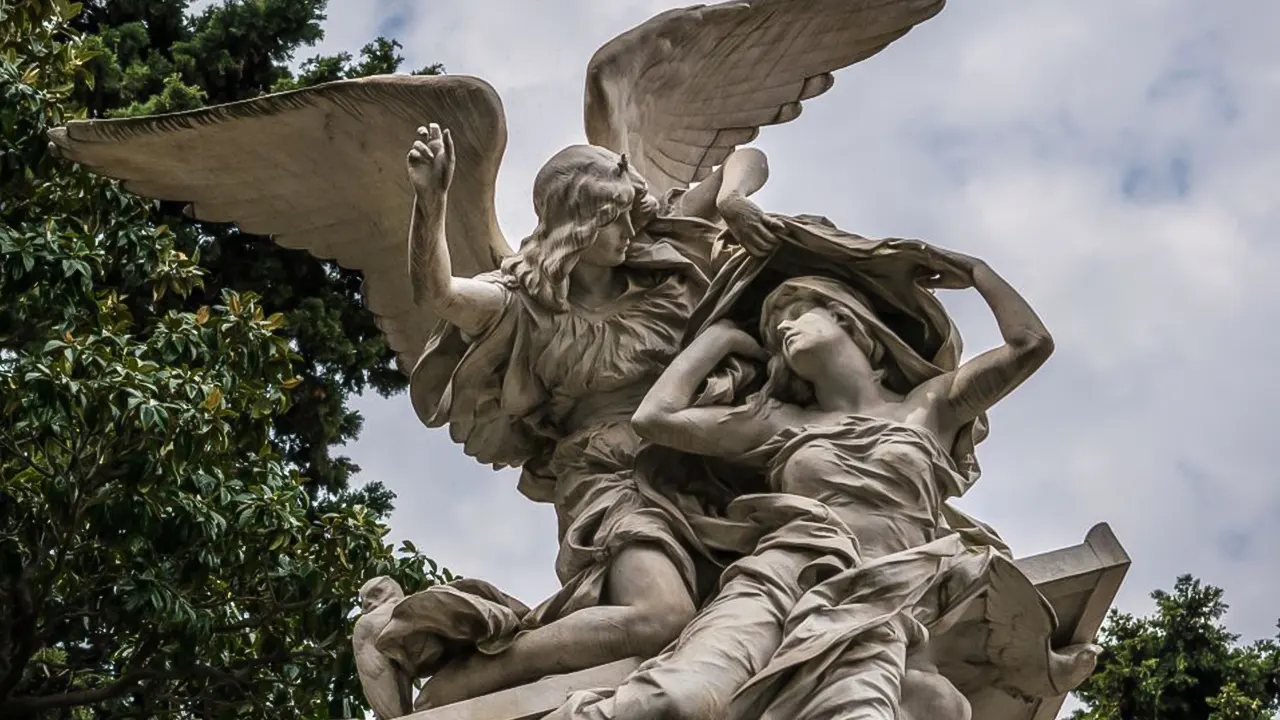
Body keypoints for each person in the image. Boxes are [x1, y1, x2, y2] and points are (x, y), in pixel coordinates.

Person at [549, 261, 1097, 719]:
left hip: (882, 597)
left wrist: (975, 271)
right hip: (780, 574)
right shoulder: (779, 421)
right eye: (772, 330)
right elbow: (655, 419)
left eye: (794, 314)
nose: (782, 332)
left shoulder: (931, 405)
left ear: (846, 317)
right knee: (672, 703)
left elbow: (1030, 343)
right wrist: (717, 340)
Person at [379, 124, 781, 709]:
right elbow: (438, 293)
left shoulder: (657, 253)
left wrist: (731, 203)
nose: (626, 231)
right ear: (579, 225)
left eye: (628, 215)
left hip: (710, 454)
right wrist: (432, 202)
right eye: (612, 220)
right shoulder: (523, 303)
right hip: (609, 471)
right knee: (661, 616)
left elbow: (748, 156)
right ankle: (464, 678)